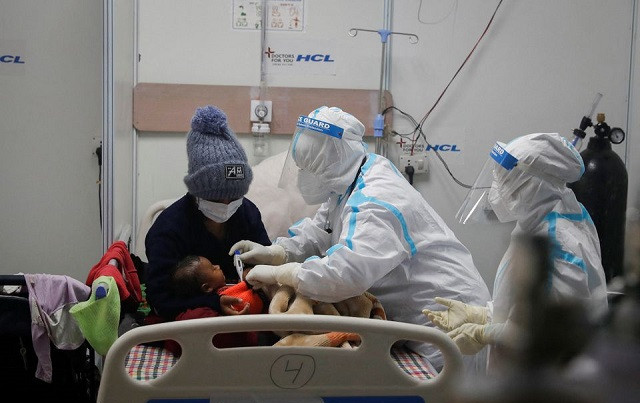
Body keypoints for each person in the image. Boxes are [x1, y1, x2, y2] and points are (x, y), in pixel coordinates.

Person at [230, 105, 491, 371]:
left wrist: (282, 274)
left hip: (447, 326)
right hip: (415, 322)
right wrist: (279, 252)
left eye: (310, 169)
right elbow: (322, 232)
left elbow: (345, 275)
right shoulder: (349, 182)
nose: (302, 178)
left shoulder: (378, 200)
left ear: (333, 163)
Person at [424, 132, 608, 363]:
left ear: (534, 185)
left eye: (506, 179)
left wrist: (485, 333)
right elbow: (526, 306)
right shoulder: (538, 224)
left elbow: (551, 331)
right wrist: (481, 315)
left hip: (548, 385)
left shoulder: (557, 242)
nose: (496, 188)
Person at [145, 105, 271, 322]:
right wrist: (213, 303)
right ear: (197, 193)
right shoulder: (168, 230)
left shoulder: (247, 213)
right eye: (215, 198)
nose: (225, 205)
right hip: (194, 322)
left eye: (233, 197)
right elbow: (160, 300)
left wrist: (257, 275)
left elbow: (268, 260)